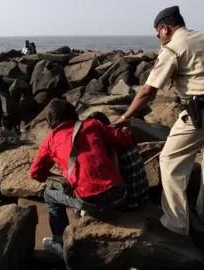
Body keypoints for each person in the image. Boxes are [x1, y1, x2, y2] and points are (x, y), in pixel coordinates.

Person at [111, 6, 204, 237]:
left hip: (203, 111)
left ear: (165, 28)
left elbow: (148, 91)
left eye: (158, 33)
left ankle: (176, 224)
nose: (158, 37)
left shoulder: (173, 48)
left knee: (170, 161)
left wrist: (125, 117)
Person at [30, 99, 134, 258]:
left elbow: (35, 173)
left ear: (50, 120)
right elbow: (124, 139)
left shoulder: (51, 140)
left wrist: (58, 179)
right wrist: (127, 128)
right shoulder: (93, 124)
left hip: (89, 200)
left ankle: (58, 241)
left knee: (49, 194)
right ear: (73, 112)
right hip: (119, 193)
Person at [87, 112, 149, 210]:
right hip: (143, 196)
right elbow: (129, 124)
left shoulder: (111, 148)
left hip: (130, 203)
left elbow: (115, 179)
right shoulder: (123, 136)